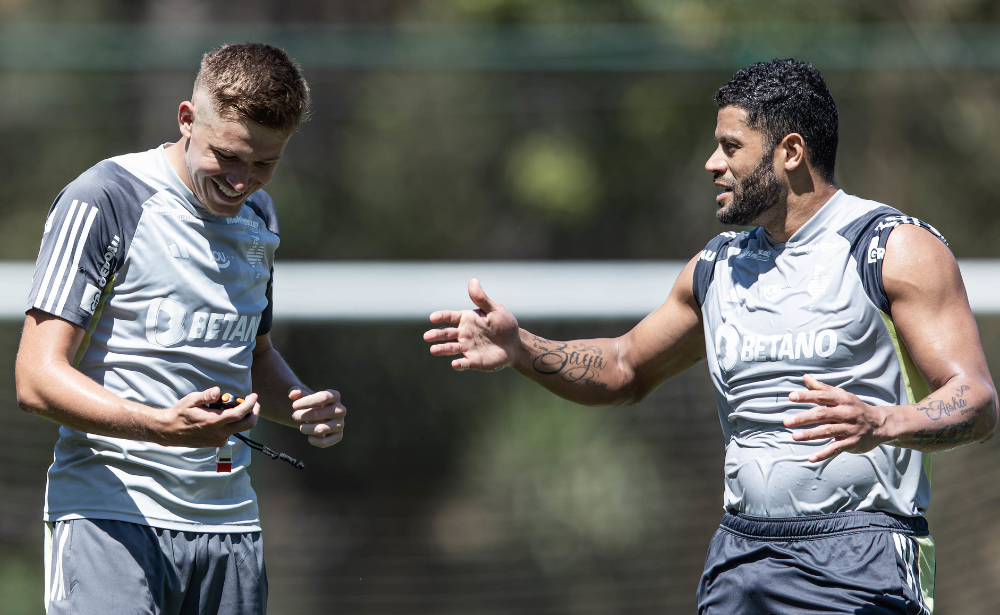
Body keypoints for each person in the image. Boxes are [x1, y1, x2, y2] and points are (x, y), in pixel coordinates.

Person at [423, 59, 997, 614]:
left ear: (790, 152)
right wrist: (522, 348)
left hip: (858, 559)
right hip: (740, 557)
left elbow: (975, 398)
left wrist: (884, 421)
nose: (711, 164)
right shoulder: (717, 267)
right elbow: (625, 367)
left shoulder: (892, 248)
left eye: (730, 147)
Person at [15, 42, 346, 615]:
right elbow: (35, 378)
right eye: (228, 156)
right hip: (110, 520)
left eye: (264, 164)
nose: (243, 181)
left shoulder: (259, 217)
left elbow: (254, 354)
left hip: (230, 528)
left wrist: (300, 404)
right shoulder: (105, 199)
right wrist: (159, 426)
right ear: (186, 120)